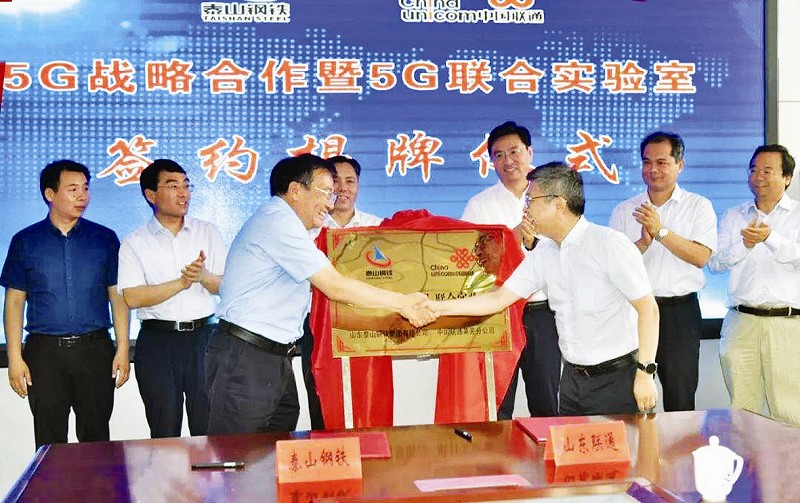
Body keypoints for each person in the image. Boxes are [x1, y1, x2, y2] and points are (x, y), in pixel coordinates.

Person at [205, 153, 433, 434]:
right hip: (247, 357)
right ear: (295, 190)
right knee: (237, 452)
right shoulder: (278, 222)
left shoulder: (288, 225)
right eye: (325, 192)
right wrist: (402, 303)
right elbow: (334, 286)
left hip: (272, 357)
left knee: (274, 444)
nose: (331, 202)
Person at [428, 163, 659, 415]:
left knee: (625, 443)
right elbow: (498, 298)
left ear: (558, 204)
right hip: (571, 383)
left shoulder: (609, 244)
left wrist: (645, 372)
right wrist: (436, 307)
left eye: (530, 200)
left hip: (618, 380)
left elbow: (648, 308)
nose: (525, 209)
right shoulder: (544, 253)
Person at [1, 159, 130, 449]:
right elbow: (14, 303)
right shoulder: (25, 241)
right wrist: (14, 357)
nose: (82, 196)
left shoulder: (104, 238)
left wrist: (122, 347)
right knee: (49, 440)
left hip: (95, 350)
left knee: (96, 438)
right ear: (50, 194)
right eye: (73, 189)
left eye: (85, 188)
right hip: (44, 354)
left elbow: (117, 296)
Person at [117, 159, 226, 438]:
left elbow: (226, 286)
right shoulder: (134, 242)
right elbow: (133, 297)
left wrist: (202, 277)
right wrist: (181, 283)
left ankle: (211, 470)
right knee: (164, 429)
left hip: (204, 338)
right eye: (173, 186)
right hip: (158, 343)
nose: (183, 193)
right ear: (150, 195)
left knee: (209, 426)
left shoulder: (207, 232)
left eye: (186, 185)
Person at [609, 132, 717, 411]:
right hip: (634, 313)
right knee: (631, 397)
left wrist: (661, 232)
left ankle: (679, 442)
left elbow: (701, 257)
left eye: (661, 162)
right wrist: (644, 243)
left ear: (680, 165)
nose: (652, 169)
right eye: (647, 162)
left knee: (680, 397)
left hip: (680, 312)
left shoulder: (698, 206)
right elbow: (613, 267)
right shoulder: (625, 210)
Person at [461, 121, 560, 419]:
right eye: (499, 155)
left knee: (546, 400)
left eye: (514, 151)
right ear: (491, 161)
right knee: (499, 402)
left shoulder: (553, 199)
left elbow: (568, 248)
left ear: (530, 152)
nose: (508, 161)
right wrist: (512, 237)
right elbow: (470, 262)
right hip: (499, 314)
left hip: (542, 313)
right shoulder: (479, 206)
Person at [709, 144, 800, 426]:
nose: (758, 176)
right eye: (753, 170)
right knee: (742, 409)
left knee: (789, 410)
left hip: (787, 324)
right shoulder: (734, 215)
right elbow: (716, 263)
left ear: (787, 177)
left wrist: (770, 238)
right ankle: (746, 456)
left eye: (767, 171)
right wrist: (745, 244)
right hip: (741, 322)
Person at [301, 155, 383, 430]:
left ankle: (369, 450)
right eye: (336, 181)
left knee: (368, 396)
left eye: (351, 181)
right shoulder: (309, 229)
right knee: (321, 397)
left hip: (367, 325)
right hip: (319, 325)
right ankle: (327, 452)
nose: (343, 188)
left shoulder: (377, 227)